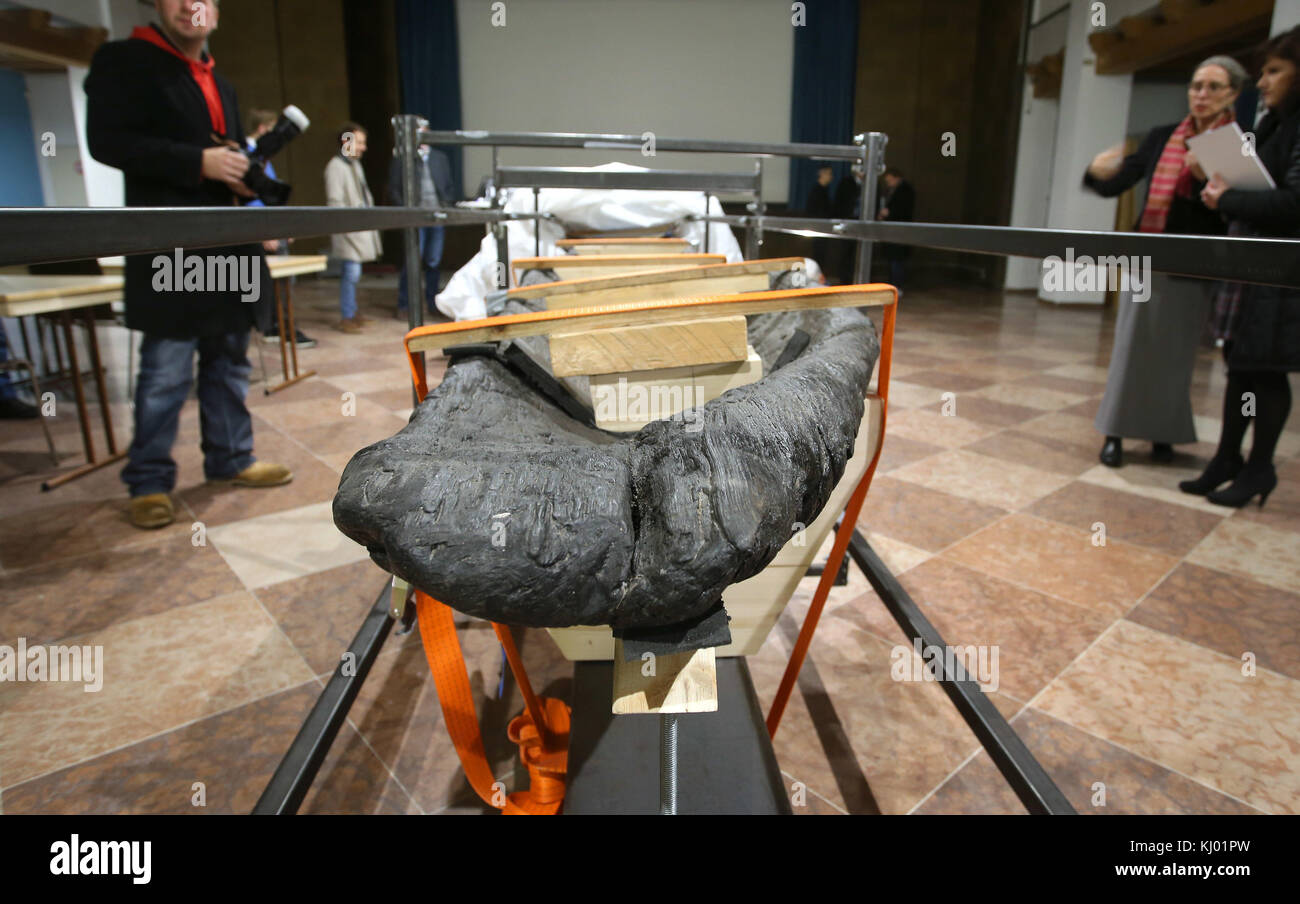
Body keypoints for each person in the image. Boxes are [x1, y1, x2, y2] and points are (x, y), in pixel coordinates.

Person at [85, 0, 292, 530]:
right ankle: (150, 480)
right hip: (171, 246)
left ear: (217, 11)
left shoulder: (220, 82)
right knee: (167, 369)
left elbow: (221, 150)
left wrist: (236, 173)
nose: (190, 5)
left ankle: (230, 459)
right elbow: (107, 141)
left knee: (229, 360)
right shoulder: (126, 59)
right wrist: (195, 162)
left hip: (227, 244)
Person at [1082, 54, 1247, 468]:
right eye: (1196, 86)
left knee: (1176, 356)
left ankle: (1163, 435)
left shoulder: (1239, 144)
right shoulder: (1161, 137)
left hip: (1196, 262)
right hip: (1146, 256)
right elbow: (1117, 183)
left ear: (1233, 94)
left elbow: (1243, 209)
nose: (1202, 95)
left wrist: (1208, 173)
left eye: (1213, 87)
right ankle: (1115, 432)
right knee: (1132, 346)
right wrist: (1098, 172)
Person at [1185, 27, 1300, 507]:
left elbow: (1294, 203)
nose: (1265, 81)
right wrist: (1221, 196)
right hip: (1250, 260)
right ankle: (1227, 458)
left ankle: (1260, 468)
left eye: (1275, 71)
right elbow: (1256, 196)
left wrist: (1231, 196)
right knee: (1239, 365)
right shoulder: (1272, 124)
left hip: (1280, 272)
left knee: (1266, 370)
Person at [246, 108, 314, 349]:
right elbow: (251, 199)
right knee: (273, 285)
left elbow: (271, 197)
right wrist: (264, 233)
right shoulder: (248, 156)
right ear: (265, 130)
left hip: (272, 228)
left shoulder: (264, 160)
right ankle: (277, 326)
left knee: (285, 282)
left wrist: (284, 226)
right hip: (261, 233)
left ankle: (282, 324)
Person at [324, 122, 382, 333]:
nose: (363, 147)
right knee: (351, 273)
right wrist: (348, 228)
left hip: (359, 230)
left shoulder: (355, 165)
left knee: (355, 274)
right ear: (346, 141)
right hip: (348, 232)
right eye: (359, 142)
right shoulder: (336, 167)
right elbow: (335, 202)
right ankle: (346, 316)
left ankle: (353, 311)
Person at [388, 143, 456, 319]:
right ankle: (404, 304)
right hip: (415, 218)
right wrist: (404, 210)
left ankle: (433, 304)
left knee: (433, 262)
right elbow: (393, 187)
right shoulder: (404, 158)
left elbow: (448, 184)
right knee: (412, 261)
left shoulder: (440, 158)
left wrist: (446, 205)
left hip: (436, 217)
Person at [877, 166, 915, 290]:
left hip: (900, 230)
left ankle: (897, 285)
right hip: (891, 230)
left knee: (897, 260)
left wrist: (889, 213)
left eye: (890, 181)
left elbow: (903, 210)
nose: (888, 184)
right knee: (892, 260)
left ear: (897, 178)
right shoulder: (891, 191)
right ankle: (893, 284)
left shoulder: (906, 191)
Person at [832, 164, 863, 284]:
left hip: (862, 222)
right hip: (848, 221)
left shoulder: (871, 183)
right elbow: (839, 201)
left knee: (859, 253)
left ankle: (859, 279)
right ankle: (845, 279)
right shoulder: (846, 182)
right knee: (846, 252)